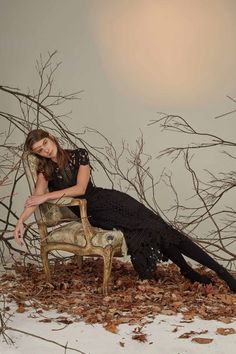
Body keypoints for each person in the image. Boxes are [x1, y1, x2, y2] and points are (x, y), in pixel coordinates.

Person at [13, 129, 236, 293]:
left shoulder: (79, 154)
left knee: (161, 228)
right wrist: (21, 221)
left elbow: (81, 188)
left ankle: (218, 272)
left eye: (44, 143)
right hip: (93, 212)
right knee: (152, 229)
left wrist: (46, 196)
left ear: (51, 137)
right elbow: (35, 200)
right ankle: (190, 271)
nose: (45, 149)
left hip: (109, 198)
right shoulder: (45, 170)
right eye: (39, 150)